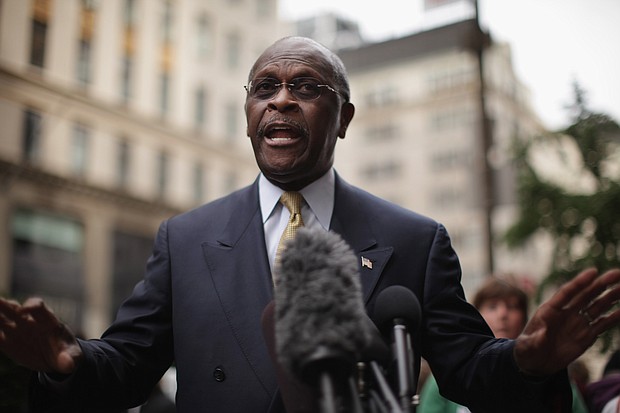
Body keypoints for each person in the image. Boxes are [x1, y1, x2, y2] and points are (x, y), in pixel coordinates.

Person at [0, 36, 620, 412]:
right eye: (264, 87)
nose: (281, 99)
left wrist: (531, 362)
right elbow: (127, 366)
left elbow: (469, 370)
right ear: (248, 114)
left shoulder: (414, 240)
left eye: (306, 86)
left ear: (343, 117)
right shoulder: (183, 239)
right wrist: (66, 359)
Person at [418, 277, 589, 413]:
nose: (503, 314)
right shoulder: (448, 376)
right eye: (492, 307)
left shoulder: (547, 372)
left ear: (525, 317)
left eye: (512, 306)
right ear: (475, 315)